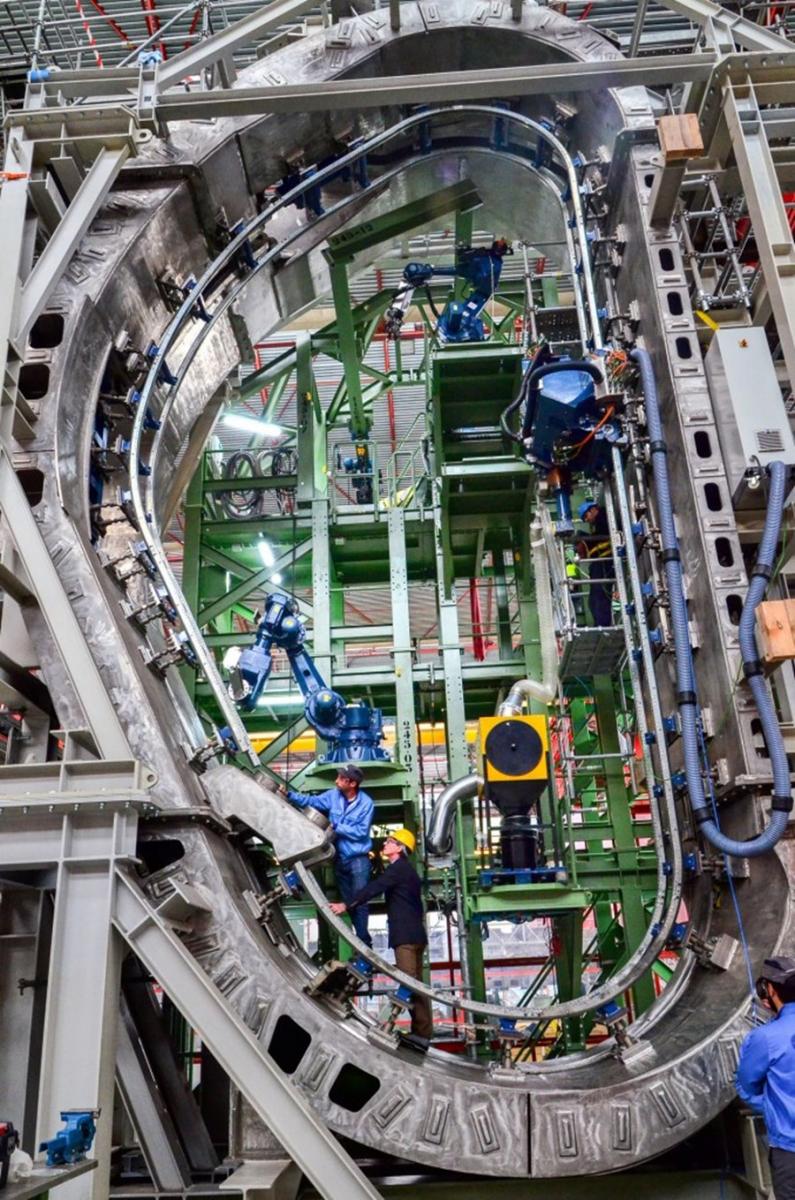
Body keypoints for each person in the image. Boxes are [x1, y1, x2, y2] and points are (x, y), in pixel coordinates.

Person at [330, 828, 433, 1049]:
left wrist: (346, 904)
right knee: (417, 984)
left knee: (409, 983)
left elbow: (374, 888)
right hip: (416, 934)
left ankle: (421, 1036)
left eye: (390, 841)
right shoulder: (406, 871)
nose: (385, 843)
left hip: (405, 936)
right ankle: (422, 1033)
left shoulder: (398, 870)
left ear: (400, 848)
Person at [283, 765, 374, 947]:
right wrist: (290, 795)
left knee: (359, 902)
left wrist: (337, 826)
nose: (336, 781)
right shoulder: (333, 795)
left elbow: (361, 832)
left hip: (358, 860)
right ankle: (361, 944)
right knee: (350, 903)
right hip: (340, 859)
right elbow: (313, 801)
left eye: (341, 778)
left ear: (353, 783)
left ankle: (364, 943)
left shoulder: (366, 803)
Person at [736, 957, 795, 1199]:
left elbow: (746, 1086)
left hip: (789, 1150)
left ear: (769, 990)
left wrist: (773, 1106)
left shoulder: (765, 1038)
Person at [577, 498, 613, 627]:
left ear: (593, 509)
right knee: (593, 600)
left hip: (605, 564)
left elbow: (603, 537)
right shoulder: (599, 523)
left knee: (598, 598)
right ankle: (601, 624)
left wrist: (582, 539)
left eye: (586, 516)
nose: (586, 520)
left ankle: (602, 626)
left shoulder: (603, 519)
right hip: (602, 563)